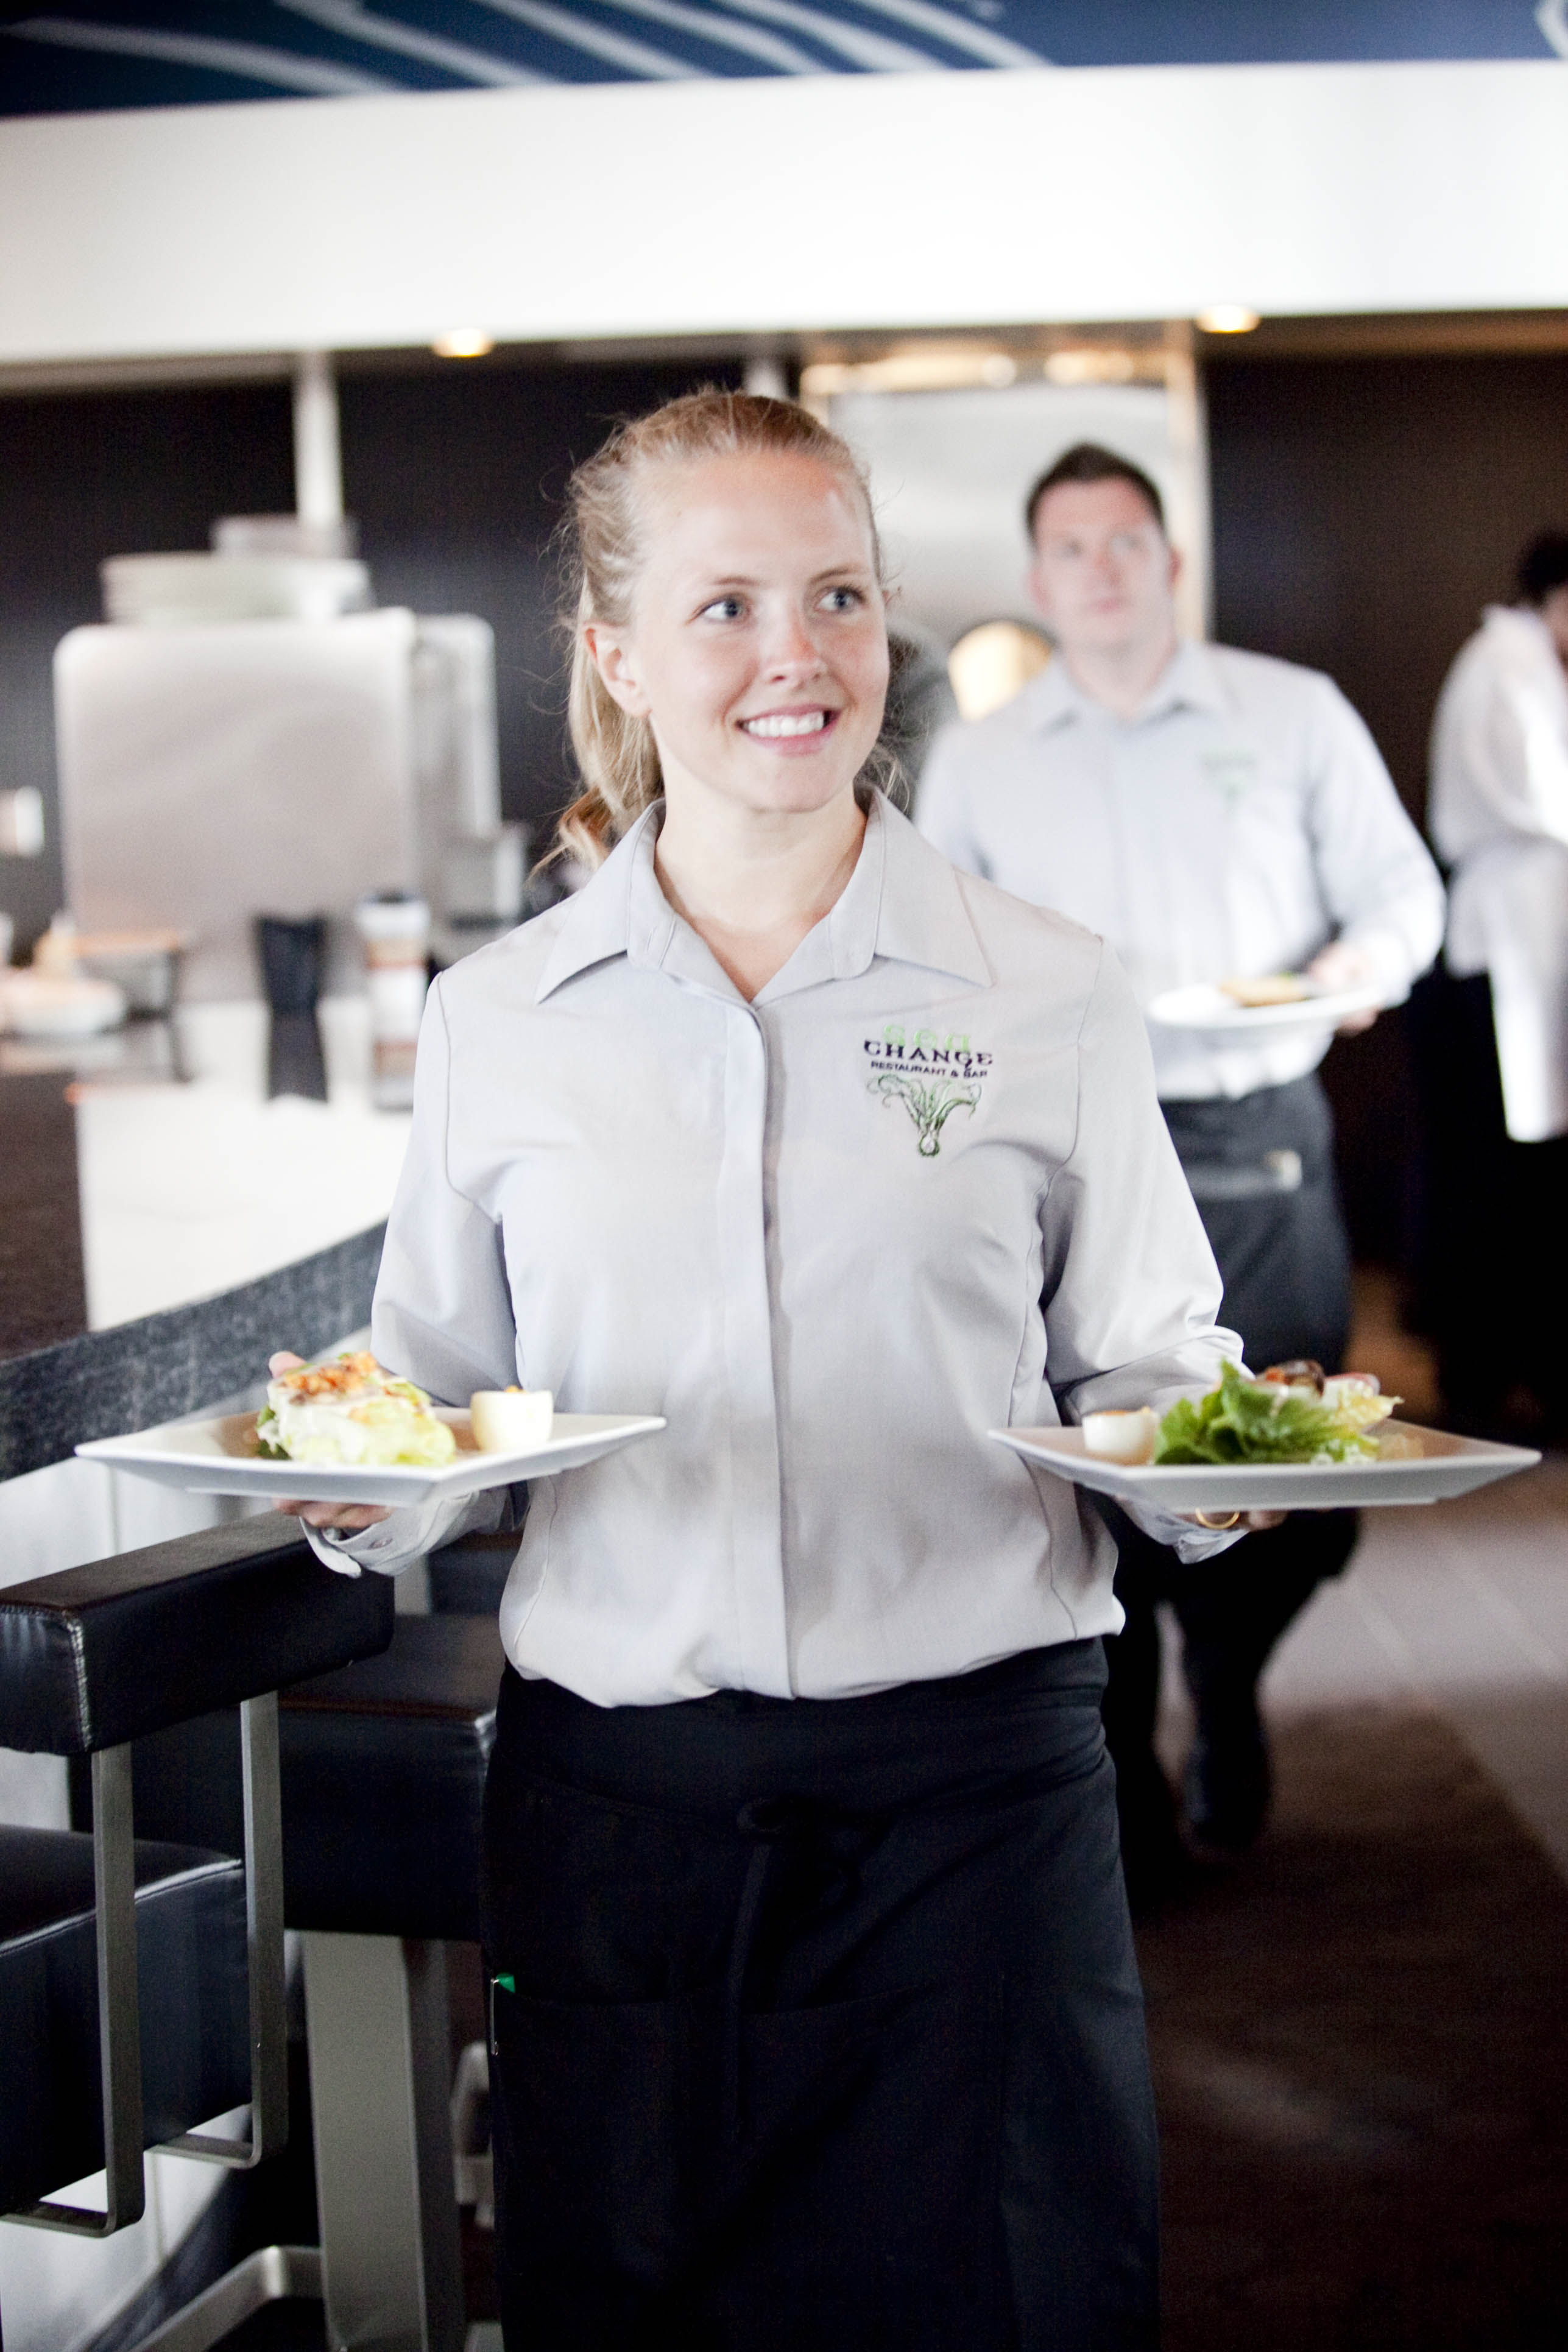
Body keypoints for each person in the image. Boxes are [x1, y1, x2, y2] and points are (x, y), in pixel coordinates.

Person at [276, 392, 1253, 2348]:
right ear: (618, 655)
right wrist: (354, 1493)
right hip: (620, 1812)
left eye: (834, 595)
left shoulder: (1042, 984)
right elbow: (434, 1390)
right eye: (722, 605)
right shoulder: (498, 1022)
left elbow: (1152, 1354)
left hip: (974, 1801)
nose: (794, 656)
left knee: (1008, 2296)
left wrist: (1205, 1461)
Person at [918, 442, 1445, 1898]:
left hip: (1255, 1121)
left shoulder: (1290, 714)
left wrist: (1351, 969)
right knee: (1103, 1458)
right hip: (1068, 1145)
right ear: (1038, 579)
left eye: (1125, 541)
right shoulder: (985, 752)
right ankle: (1130, 1747)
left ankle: (1230, 1666)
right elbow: (934, 949)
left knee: (1293, 1452)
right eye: (1071, 548)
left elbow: (1405, 892)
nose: (1100, 569)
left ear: (1170, 560)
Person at [1420, 532, 1568, 1435]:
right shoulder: (1502, 664)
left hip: (1534, 947)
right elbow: (1542, 796)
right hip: (1496, 956)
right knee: (1487, 1174)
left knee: (1532, 1175)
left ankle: (1531, 1374)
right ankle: (1478, 1380)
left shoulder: (1534, 666)